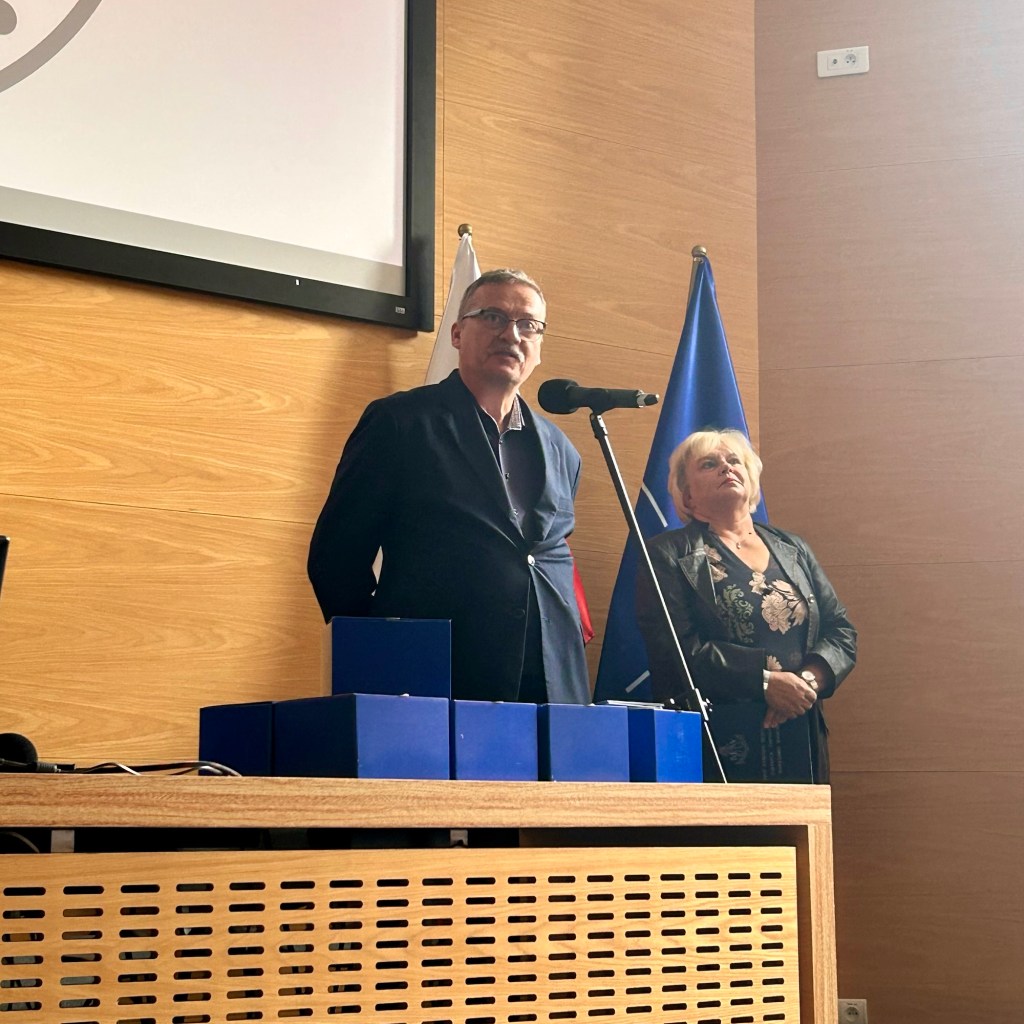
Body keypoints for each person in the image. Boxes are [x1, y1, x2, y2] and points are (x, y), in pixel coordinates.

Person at [308, 269, 591, 705]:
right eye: (493, 317)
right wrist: (383, 652)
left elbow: (542, 560)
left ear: (539, 345)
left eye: (528, 325)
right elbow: (336, 558)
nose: (511, 334)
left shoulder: (562, 450)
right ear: (457, 333)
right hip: (432, 680)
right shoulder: (400, 423)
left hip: (550, 686)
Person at [636, 428, 856, 781]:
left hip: (799, 731)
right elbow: (674, 650)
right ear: (687, 494)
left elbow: (840, 631)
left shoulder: (793, 548)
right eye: (709, 464)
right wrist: (765, 683)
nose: (726, 467)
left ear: (751, 480)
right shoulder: (666, 554)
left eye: (734, 461)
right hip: (718, 735)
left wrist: (803, 685)